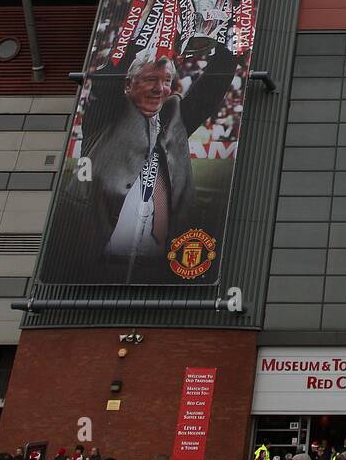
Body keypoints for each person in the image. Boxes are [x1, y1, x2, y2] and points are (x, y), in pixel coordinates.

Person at [49, 40, 239, 284]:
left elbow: (209, 91)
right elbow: (106, 82)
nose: (160, 88)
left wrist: (231, 47)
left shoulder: (175, 119)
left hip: (161, 271)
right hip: (95, 268)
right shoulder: (104, 117)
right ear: (129, 84)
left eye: (167, 81)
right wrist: (142, 35)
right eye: (151, 79)